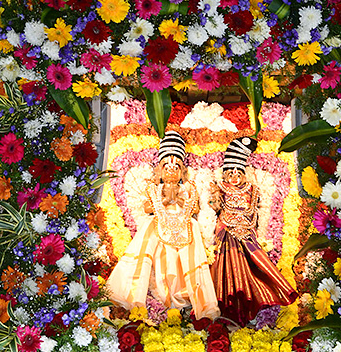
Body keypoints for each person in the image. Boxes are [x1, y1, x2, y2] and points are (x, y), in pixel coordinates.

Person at [107, 131, 219, 320]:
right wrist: (166, 200)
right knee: (154, 261)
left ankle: (184, 301)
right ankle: (143, 299)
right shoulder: (154, 187)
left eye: (176, 168)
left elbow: (195, 208)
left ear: (182, 172)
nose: (171, 171)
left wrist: (179, 199)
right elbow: (147, 207)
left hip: (185, 227)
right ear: (160, 170)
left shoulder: (188, 187)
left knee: (185, 262)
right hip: (158, 225)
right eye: (167, 168)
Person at [209, 137, 297, 326]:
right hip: (227, 233)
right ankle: (230, 302)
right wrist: (215, 198)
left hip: (248, 234)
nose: (234, 176)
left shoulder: (252, 189)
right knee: (228, 266)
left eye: (238, 172)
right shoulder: (220, 187)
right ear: (225, 175)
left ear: (244, 174)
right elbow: (214, 207)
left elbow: (255, 212)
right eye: (230, 172)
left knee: (255, 263)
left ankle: (258, 296)